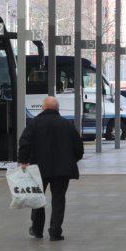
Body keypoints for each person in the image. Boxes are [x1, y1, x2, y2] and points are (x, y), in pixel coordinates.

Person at [18, 95, 84, 241]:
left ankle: (37, 229)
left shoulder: (34, 123)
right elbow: (79, 147)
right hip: (62, 170)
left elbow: (25, 143)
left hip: (39, 169)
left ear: (43, 108)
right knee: (59, 199)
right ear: (57, 108)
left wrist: (23, 161)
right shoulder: (67, 124)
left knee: (38, 198)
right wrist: (72, 160)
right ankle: (55, 232)